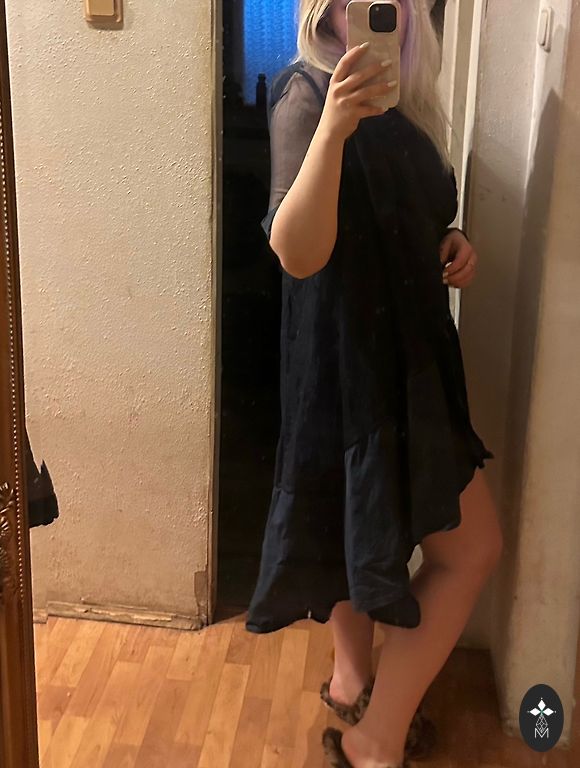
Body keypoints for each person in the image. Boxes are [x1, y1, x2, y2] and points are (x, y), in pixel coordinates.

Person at [245, 2, 504, 767]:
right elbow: (297, 252)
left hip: (412, 355)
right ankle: (374, 738)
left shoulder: (413, 101)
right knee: (469, 547)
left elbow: (407, 214)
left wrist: (452, 240)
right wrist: (333, 126)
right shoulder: (304, 93)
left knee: (366, 529)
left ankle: (352, 683)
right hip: (347, 360)